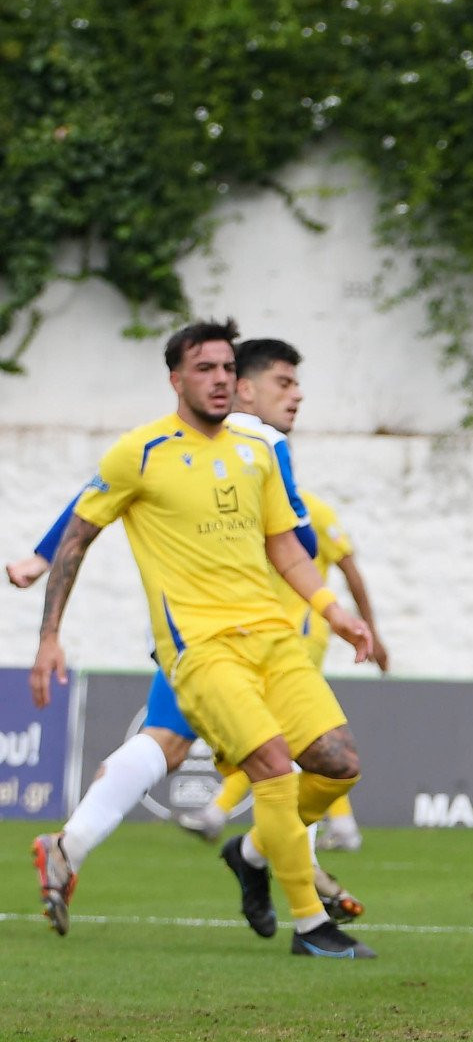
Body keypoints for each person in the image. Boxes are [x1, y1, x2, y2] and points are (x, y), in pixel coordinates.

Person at [28, 320, 379, 958]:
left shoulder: (259, 449)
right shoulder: (141, 451)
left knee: (337, 764)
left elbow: (285, 545)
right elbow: (82, 525)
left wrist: (336, 612)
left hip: (273, 639)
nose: (219, 379)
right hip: (200, 647)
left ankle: (250, 851)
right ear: (177, 378)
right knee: (267, 763)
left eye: (226, 368)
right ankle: (310, 924)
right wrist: (46, 621)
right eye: (207, 369)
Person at [181, 338, 390, 857]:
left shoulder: (308, 507)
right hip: (234, 635)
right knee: (288, 749)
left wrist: (354, 621)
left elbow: (342, 566)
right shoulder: (188, 463)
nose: (297, 395)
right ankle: (290, 847)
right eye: (286, 383)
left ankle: (255, 835)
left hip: (297, 633)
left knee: (289, 747)